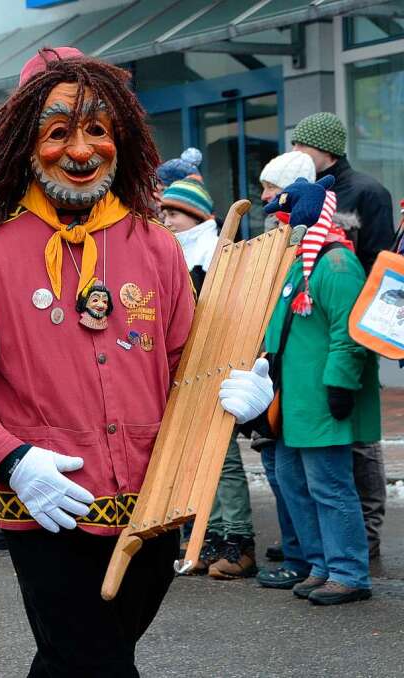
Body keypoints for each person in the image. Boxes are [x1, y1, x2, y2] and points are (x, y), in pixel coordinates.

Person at [0, 47, 273, 676]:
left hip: (154, 509)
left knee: (75, 663)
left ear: (121, 139)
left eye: (98, 130)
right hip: (48, 508)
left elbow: (188, 364)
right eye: (58, 132)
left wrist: (238, 394)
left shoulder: (155, 245)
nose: (81, 151)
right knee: (96, 664)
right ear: (25, 143)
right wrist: (12, 461)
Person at [256, 176, 378, 605]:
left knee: (330, 487)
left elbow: (349, 335)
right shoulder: (305, 262)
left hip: (322, 399)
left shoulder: (338, 265)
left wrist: (340, 386)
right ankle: (322, 565)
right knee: (294, 483)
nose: (279, 231)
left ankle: (348, 572)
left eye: (284, 222)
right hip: (295, 401)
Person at [291, 112, 391, 560]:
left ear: (324, 148)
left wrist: (368, 330)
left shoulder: (367, 192)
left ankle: (366, 533)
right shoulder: (309, 192)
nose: (295, 154)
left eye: (301, 146)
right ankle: (335, 541)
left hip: (357, 324)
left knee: (360, 435)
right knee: (330, 433)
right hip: (316, 324)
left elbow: (381, 262)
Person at [160, 175, 258, 579]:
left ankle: (237, 539)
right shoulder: (172, 253)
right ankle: (209, 534)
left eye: (174, 213)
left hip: (216, 364)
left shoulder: (217, 251)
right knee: (197, 458)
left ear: (194, 215)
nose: (165, 219)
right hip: (185, 369)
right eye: (163, 212)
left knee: (224, 457)